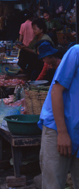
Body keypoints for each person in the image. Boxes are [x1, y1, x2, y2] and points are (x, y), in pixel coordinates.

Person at [39, 44, 79, 189]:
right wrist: (62, 132)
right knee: (53, 184)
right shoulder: (76, 52)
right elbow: (56, 91)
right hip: (58, 127)